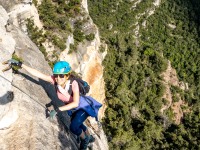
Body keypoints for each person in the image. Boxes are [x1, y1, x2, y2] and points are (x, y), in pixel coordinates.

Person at [8, 59, 102, 150]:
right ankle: (89, 137)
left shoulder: (73, 83)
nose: (58, 78)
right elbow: (38, 74)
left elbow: (75, 103)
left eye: (61, 75)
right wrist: (20, 64)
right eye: (56, 75)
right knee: (77, 122)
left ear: (67, 75)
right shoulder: (55, 81)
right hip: (72, 108)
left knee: (73, 127)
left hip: (82, 107)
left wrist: (57, 110)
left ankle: (85, 140)